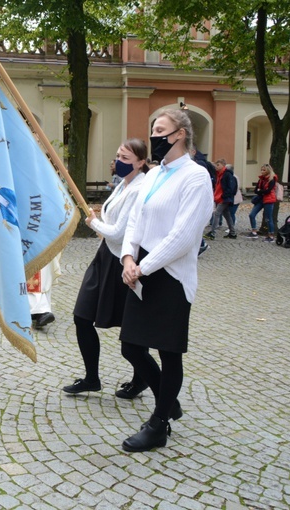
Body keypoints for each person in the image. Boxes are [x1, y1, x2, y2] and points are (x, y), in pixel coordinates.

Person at [119, 109, 213, 452]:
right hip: (140, 272)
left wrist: (143, 266)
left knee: (169, 352)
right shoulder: (155, 173)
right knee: (131, 346)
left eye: (160, 130)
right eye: (153, 129)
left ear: (180, 135)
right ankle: (167, 400)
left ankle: (159, 425)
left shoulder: (195, 176)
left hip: (170, 276)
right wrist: (128, 257)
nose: (154, 136)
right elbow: (135, 220)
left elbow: (184, 236)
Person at [63, 138, 149, 400]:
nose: (119, 162)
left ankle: (141, 380)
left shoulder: (139, 189)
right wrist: (98, 217)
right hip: (105, 257)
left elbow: (119, 233)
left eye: (126, 159)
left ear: (141, 162)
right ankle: (92, 378)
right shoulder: (124, 184)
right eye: (118, 156)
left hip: (124, 261)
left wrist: (93, 223)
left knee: (132, 328)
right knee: (82, 316)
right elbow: (111, 222)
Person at [203, 159, 237, 240]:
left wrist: (224, 196)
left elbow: (231, 188)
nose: (216, 167)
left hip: (223, 198)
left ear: (223, 165)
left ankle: (212, 233)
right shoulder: (219, 174)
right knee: (227, 215)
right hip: (220, 198)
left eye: (218, 165)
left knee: (216, 214)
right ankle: (232, 233)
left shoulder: (227, 175)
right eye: (216, 165)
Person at [247, 164, 278, 242]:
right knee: (252, 214)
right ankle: (254, 232)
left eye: (264, 170)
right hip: (261, 199)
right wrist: (261, 191)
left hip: (269, 200)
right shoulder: (261, 179)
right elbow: (256, 190)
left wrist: (260, 191)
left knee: (268, 218)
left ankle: (271, 235)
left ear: (268, 170)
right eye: (261, 170)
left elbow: (268, 191)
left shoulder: (272, 179)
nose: (262, 171)